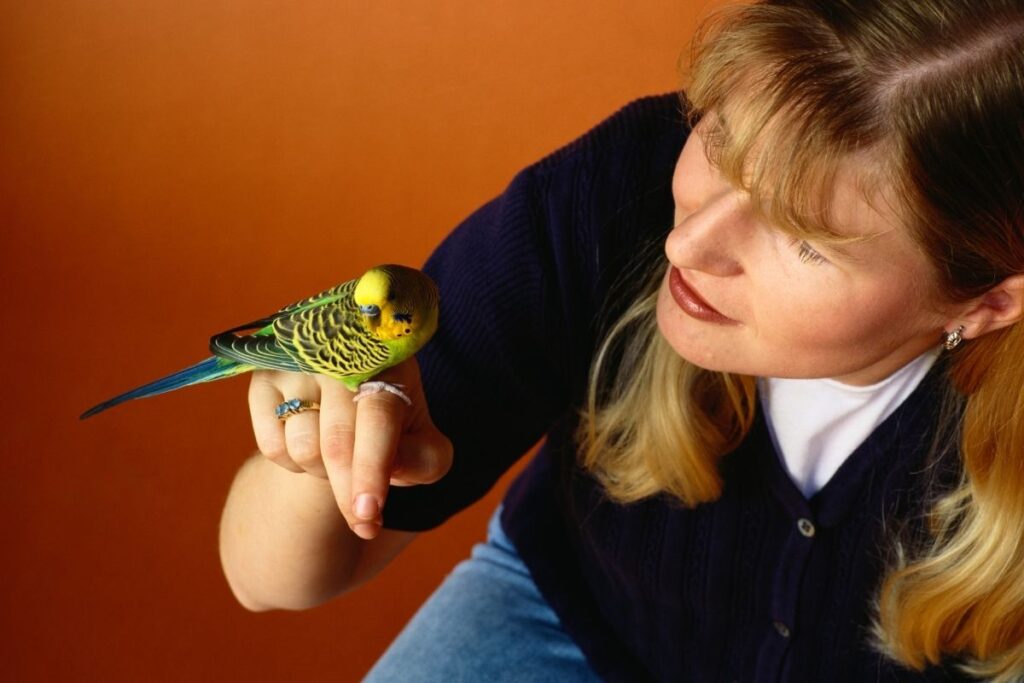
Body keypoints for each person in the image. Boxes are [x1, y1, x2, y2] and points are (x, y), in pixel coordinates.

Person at [218, 0, 1024, 680]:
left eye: (806, 238)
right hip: (572, 621)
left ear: (988, 300)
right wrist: (317, 447)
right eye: (722, 139)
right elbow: (267, 580)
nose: (689, 244)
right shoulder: (611, 194)